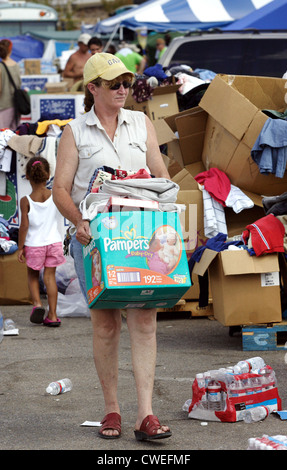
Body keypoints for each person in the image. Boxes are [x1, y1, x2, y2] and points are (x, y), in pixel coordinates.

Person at [53, 52, 172, 441]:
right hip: (95, 241)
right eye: (113, 84)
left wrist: (169, 223)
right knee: (105, 326)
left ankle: (146, 415)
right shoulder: (75, 131)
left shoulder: (141, 122)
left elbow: (162, 175)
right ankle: (112, 411)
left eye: (125, 82)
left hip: (141, 235)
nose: (123, 89)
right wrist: (79, 221)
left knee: (145, 319)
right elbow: (59, 189)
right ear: (92, 89)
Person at [18, 156, 66, 327]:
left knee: (32, 275)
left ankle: (37, 304)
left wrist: (20, 247)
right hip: (53, 243)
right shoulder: (55, 196)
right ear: (48, 175)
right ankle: (52, 316)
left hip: (34, 245)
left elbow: (24, 226)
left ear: (28, 177)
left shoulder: (26, 200)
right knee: (50, 277)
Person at [0, 39, 21, 130]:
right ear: (10, 50)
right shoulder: (16, 65)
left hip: (3, 104)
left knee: (2, 134)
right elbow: (19, 84)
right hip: (16, 104)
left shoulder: (1, 67)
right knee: (14, 134)